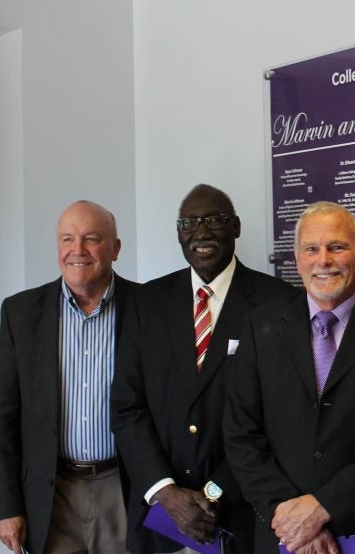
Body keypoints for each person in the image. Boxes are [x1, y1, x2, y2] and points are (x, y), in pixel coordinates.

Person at [223, 201, 355, 554]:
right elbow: (241, 433)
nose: (323, 261)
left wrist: (322, 509)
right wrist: (290, 517)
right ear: (298, 259)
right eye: (311, 249)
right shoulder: (261, 326)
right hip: (281, 533)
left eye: (337, 247)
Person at [111, 184, 297, 554]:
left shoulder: (279, 303)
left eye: (214, 220)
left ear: (237, 227)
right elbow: (127, 407)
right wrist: (165, 492)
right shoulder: (145, 303)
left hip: (238, 517)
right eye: (189, 223)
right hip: (158, 521)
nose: (201, 232)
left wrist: (213, 493)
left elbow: (278, 418)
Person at [0, 200, 135, 554]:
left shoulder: (147, 306)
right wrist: (5, 507)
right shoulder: (20, 314)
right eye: (67, 239)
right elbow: (0, 418)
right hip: (50, 492)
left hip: (122, 487)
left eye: (91, 239)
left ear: (115, 248)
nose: (77, 250)